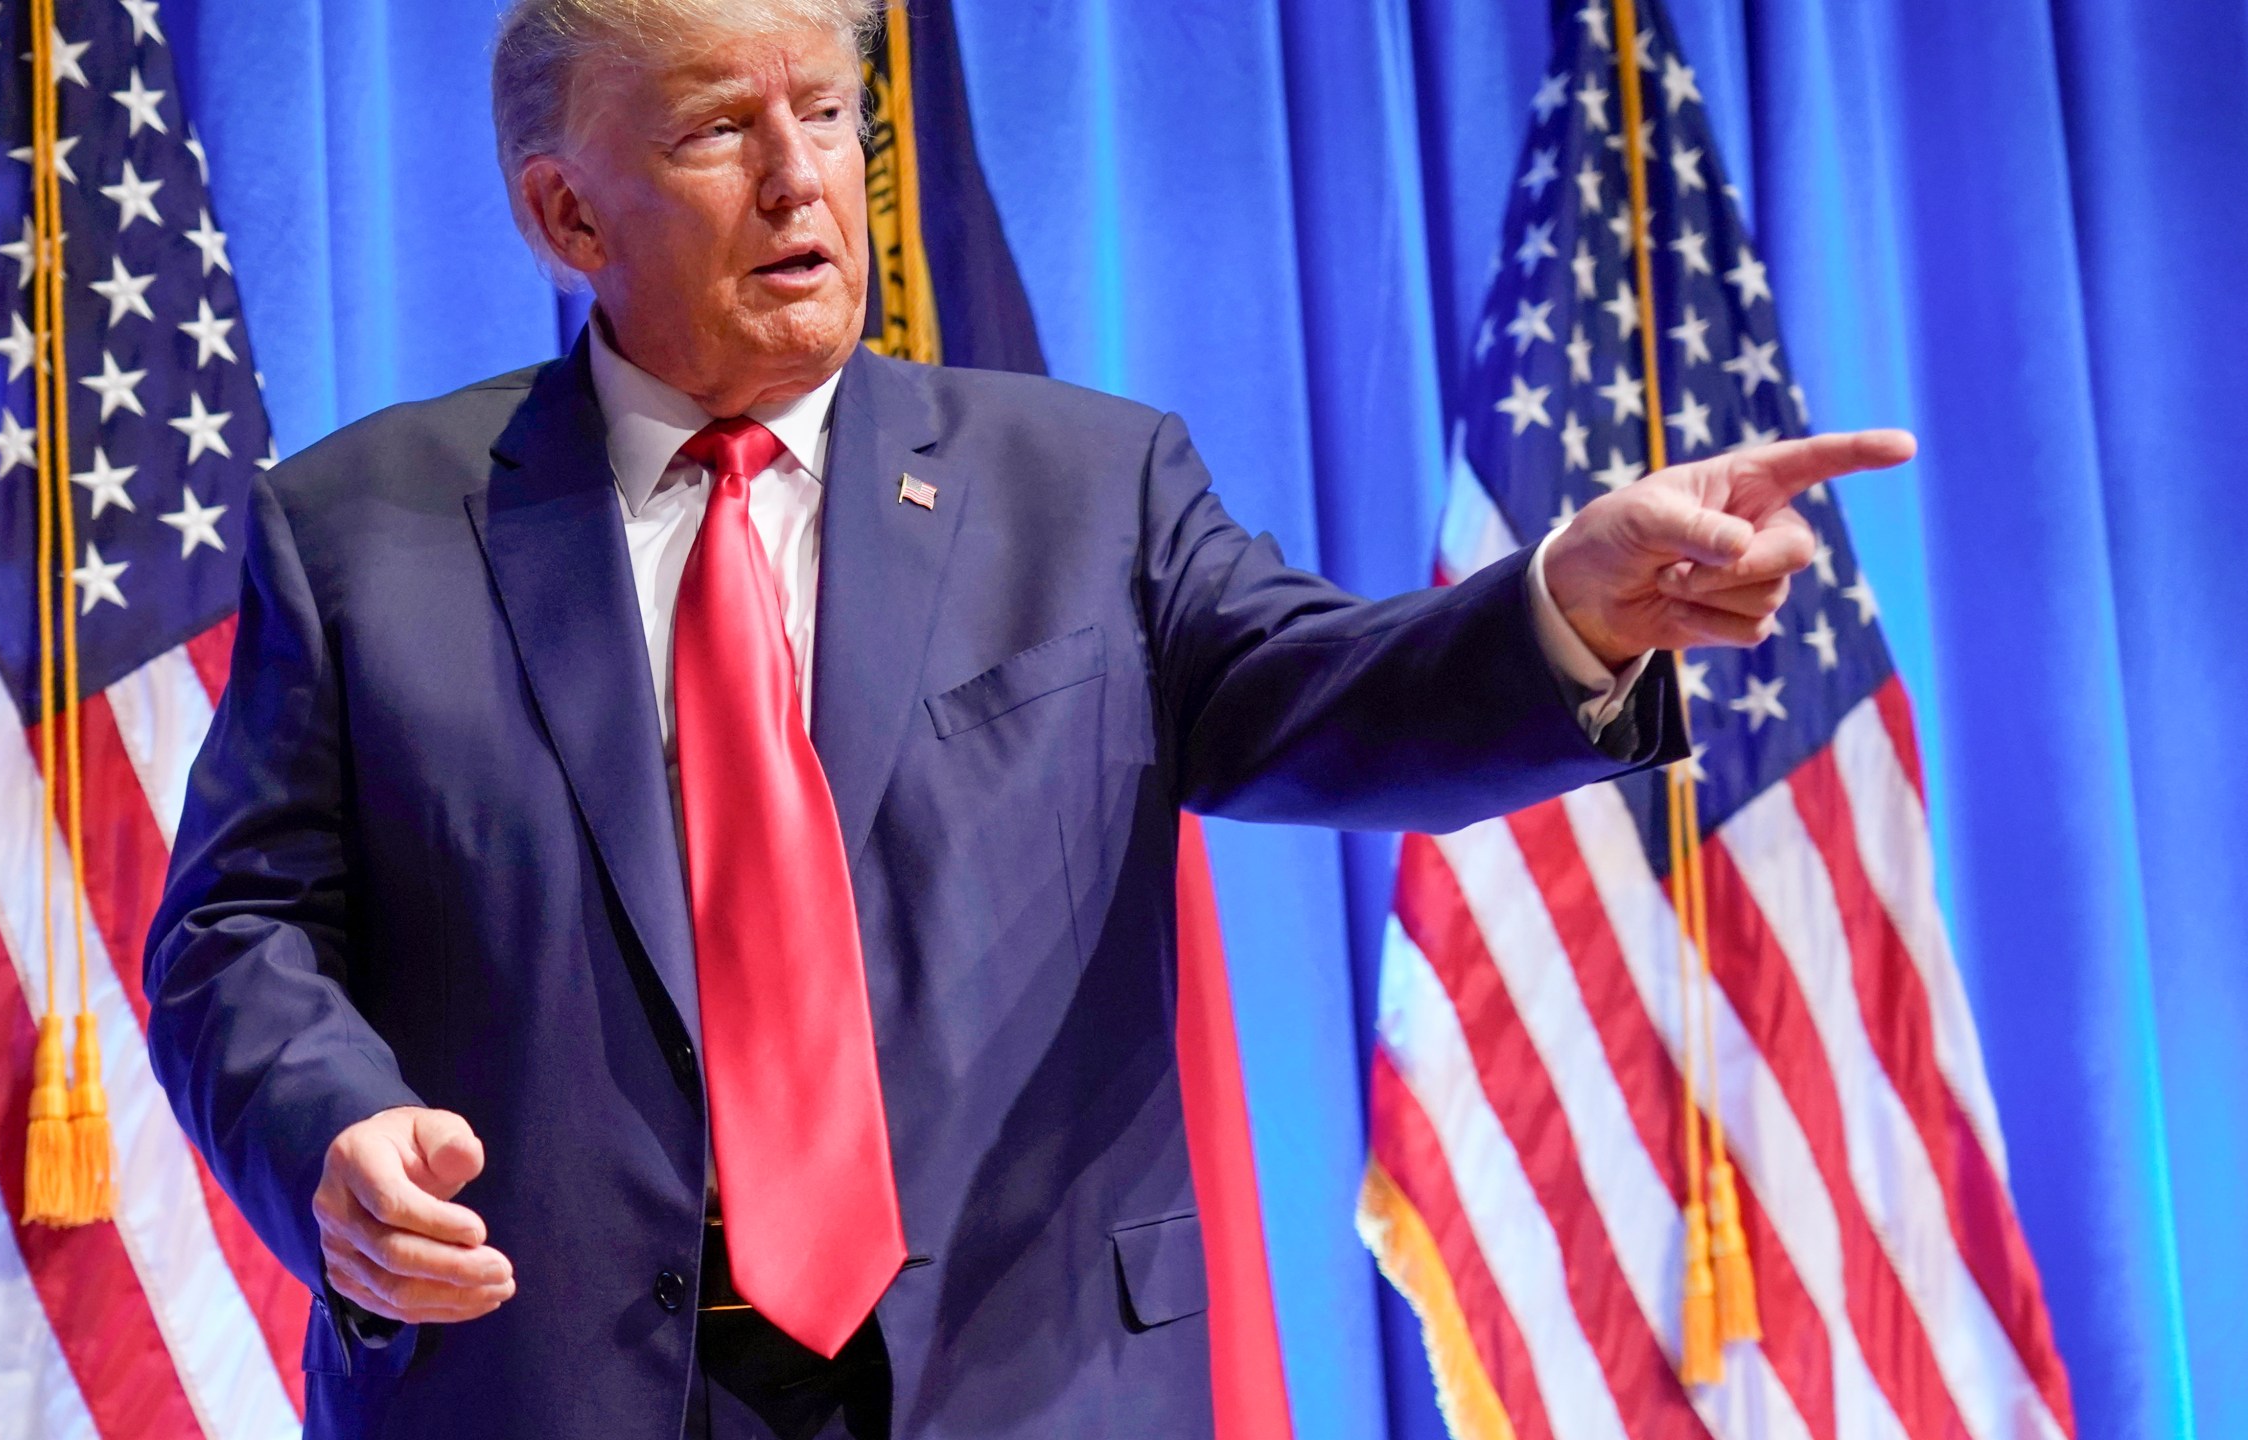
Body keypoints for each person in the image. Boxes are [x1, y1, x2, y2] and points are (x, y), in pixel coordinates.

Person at [142, 2, 1914, 1436]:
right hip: (541, 1385)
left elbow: (1322, 699)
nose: (800, 182)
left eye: (828, 115)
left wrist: (1558, 616)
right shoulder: (365, 530)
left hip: (1024, 1375)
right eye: (714, 130)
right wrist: (331, 1135)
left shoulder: (1087, 485)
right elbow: (240, 933)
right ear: (565, 215)